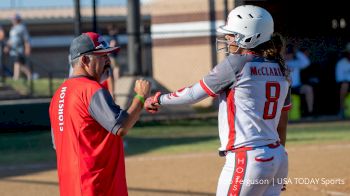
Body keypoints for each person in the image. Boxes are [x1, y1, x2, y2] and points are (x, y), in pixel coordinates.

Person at [145, 5, 290, 196]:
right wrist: (275, 168)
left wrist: (159, 99)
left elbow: (193, 94)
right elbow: (282, 124)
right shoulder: (282, 69)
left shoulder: (236, 63)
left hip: (248, 157)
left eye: (232, 34)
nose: (228, 38)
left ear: (249, 36)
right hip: (277, 156)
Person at [49, 32, 151, 196]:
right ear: (84, 60)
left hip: (71, 188)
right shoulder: (90, 89)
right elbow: (121, 126)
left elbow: (58, 144)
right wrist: (140, 97)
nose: (107, 60)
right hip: (95, 187)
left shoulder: (58, 95)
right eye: (101, 56)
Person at [285, 43, 314, 117]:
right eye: (286, 53)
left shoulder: (297, 62)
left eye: (290, 53)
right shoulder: (280, 63)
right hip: (286, 88)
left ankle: (310, 112)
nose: (288, 55)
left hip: (297, 87)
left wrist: (296, 51)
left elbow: (306, 62)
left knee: (308, 89)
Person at [4, 13, 32, 81]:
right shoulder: (13, 29)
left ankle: (16, 77)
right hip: (13, 50)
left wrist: (27, 48)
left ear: (17, 20)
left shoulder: (22, 28)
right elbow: (11, 39)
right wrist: (7, 47)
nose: (12, 20)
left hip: (19, 49)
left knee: (17, 63)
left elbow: (26, 39)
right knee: (20, 65)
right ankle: (29, 75)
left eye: (13, 19)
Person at [335, 42, 350, 119]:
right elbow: (339, 79)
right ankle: (342, 109)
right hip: (345, 84)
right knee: (345, 84)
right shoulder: (341, 63)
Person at [106, 24, 121, 99]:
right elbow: (112, 45)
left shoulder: (111, 37)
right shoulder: (113, 37)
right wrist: (109, 53)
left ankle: (116, 81)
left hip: (112, 56)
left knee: (114, 69)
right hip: (112, 56)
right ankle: (117, 80)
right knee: (116, 68)